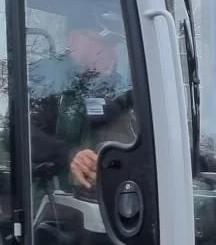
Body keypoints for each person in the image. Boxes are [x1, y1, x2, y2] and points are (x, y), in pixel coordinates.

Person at [28, 24, 138, 193]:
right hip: (47, 195)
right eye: (105, 44)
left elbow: (103, 114)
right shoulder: (48, 75)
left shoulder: (115, 84)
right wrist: (70, 155)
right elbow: (17, 132)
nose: (113, 54)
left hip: (103, 195)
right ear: (75, 40)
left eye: (115, 47)